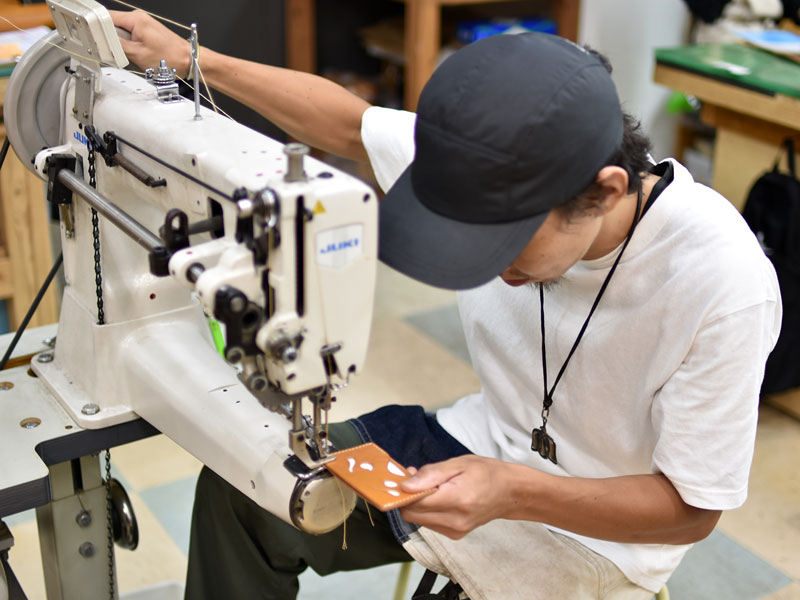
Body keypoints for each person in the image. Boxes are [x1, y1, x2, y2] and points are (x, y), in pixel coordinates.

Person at [110, 10, 782, 600]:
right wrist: (196, 60)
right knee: (247, 491)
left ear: (605, 191)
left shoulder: (721, 282)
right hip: (477, 443)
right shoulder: (481, 162)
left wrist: (516, 490)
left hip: (607, 535)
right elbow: (347, 124)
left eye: (504, 243)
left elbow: (692, 510)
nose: (486, 267)